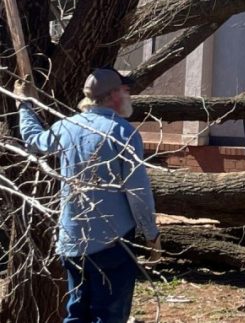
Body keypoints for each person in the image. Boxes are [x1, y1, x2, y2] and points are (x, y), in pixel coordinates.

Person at [18, 67, 161, 323]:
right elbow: (138, 191)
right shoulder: (123, 132)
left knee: (77, 312)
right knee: (108, 315)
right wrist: (152, 235)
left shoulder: (66, 126)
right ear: (114, 95)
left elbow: (34, 140)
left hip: (73, 240)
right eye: (126, 90)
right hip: (113, 242)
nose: (129, 96)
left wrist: (25, 105)